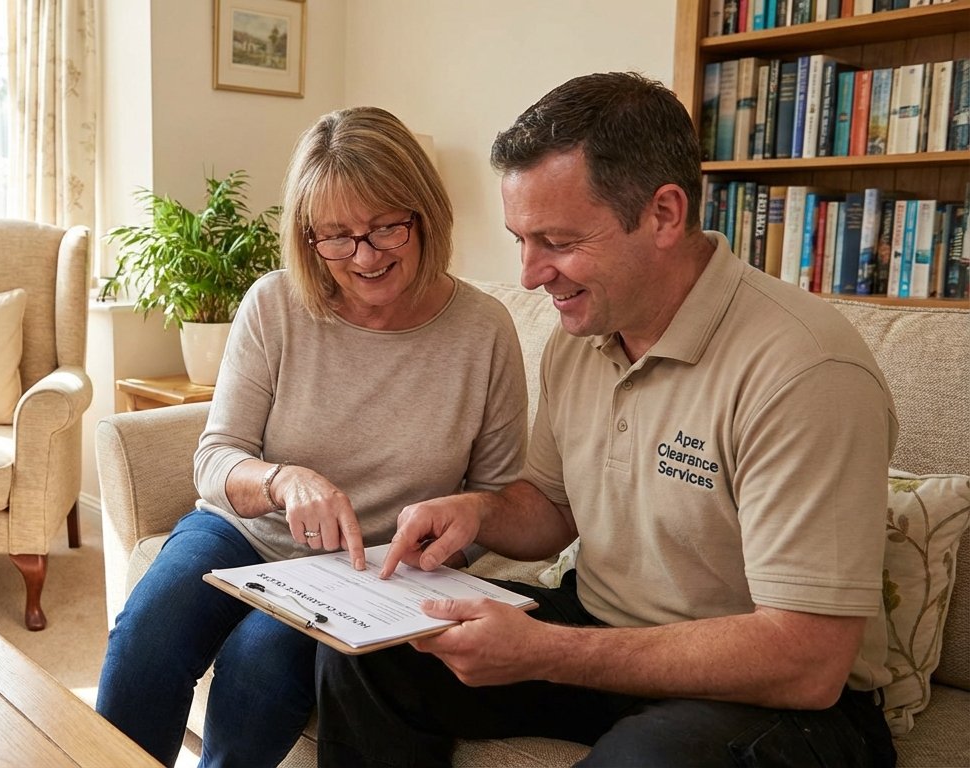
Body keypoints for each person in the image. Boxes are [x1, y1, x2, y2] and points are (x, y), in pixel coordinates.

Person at [314, 72, 899, 767]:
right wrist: (478, 512)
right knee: (371, 656)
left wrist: (554, 652)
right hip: (605, 628)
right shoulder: (581, 339)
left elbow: (807, 659)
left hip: (782, 698)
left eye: (556, 241)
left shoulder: (804, 369)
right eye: (520, 240)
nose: (530, 275)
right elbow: (552, 507)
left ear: (663, 214)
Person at [96, 106, 531, 767]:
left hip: (373, 568)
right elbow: (216, 461)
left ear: (425, 213)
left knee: (258, 666)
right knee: (145, 639)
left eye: (386, 228)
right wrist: (281, 479)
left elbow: (495, 500)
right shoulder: (275, 305)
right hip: (243, 531)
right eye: (336, 236)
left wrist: (436, 550)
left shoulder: (483, 329)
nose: (363, 257)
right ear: (308, 238)